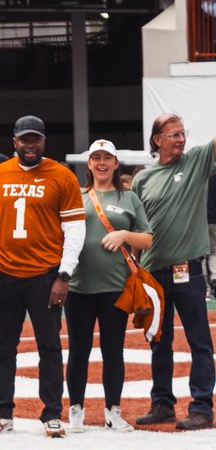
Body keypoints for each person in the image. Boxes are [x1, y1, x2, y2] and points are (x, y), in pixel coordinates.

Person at [0, 116, 85, 437]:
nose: (30, 145)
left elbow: (75, 229)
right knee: (2, 348)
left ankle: (51, 413)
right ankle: (2, 412)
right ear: (14, 142)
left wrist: (64, 274)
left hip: (45, 275)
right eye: (24, 140)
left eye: (35, 140)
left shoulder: (61, 176)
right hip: (5, 273)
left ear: (44, 141)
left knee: (50, 346)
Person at [132, 114, 216, 430]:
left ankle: (202, 408)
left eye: (183, 133)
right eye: (174, 134)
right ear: (157, 140)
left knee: (199, 340)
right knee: (159, 341)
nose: (181, 139)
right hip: (152, 273)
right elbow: (139, 229)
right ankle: (163, 404)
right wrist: (134, 272)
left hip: (187, 269)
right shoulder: (142, 178)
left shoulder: (196, 161)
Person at [65, 140, 153, 434]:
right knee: (78, 350)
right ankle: (75, 409)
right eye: (96, 158)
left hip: (115, 286)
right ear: (88, 164)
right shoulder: (75, 196)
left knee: (113, 351)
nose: (101, 163)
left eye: (107, 158)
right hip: (78, 287)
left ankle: (113, 410)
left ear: (116, 163)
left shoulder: (128, 198)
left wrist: (124, 233)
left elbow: (147, 239)